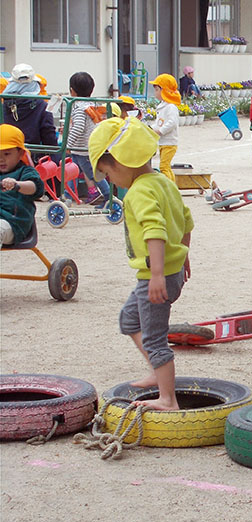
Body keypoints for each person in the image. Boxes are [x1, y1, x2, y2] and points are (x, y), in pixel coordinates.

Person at [88, 116, 193, 410]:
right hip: (166, 272)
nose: (110, 181)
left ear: (120, 163)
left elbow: (155, 231)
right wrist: (183, 256)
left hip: (154, 277)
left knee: (155, 338)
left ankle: (168, 399)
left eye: (107, 174)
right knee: (129, 319)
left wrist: (157, 274)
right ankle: (157, 375)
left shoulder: (138, 192)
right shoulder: (163, 181)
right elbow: (186, 221)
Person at [66, 71, 111, 206]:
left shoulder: (79, 107)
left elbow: (78, 127)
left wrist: (68, 144)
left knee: (92, 174)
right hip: (82, 149)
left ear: (72, 91)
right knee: (70, 171)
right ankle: (68, 195)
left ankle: (109, 197)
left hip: (82, 149)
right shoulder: (89, 104)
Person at [2, 64, 58, 162]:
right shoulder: (42, 105)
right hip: (32, 158)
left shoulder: (4, 104)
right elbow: (49, 139)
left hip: (5, 156)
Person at [0, 124, 44, 246]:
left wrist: (17, 185)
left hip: (13, 222)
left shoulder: (25, 172)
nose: (1, 159)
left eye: (7, 154)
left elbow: (35, 187)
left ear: (20, 154)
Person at [148, 73, 181, 182]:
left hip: (169, 142)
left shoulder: (171, 107)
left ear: (164, 91)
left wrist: (160, 131)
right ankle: (172, 187)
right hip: (163, 142)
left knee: (164, 167)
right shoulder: (163, 105)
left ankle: (169, 187)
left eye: (157, 90)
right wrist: (152, 128)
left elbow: (172, 122)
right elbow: (159, 122)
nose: (155, 93)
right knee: (166, 167)